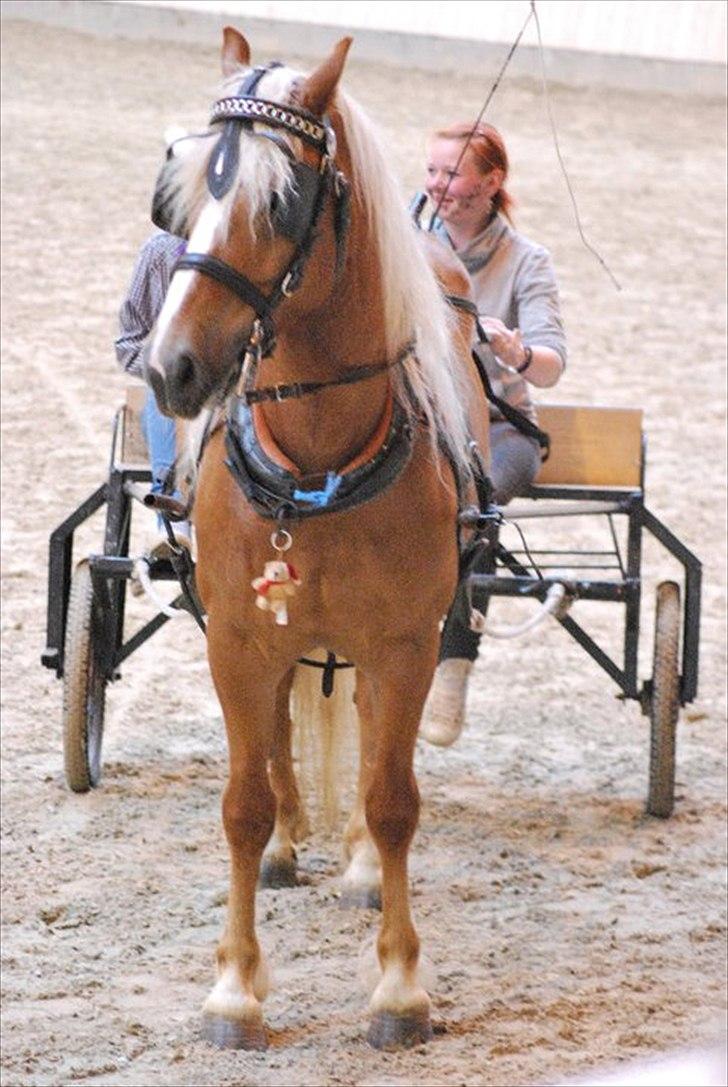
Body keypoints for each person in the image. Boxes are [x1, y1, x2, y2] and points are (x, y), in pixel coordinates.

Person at [419, 121, 567, 747]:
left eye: (451, 174)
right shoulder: (400, 231)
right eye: (432, 171)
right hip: (416, 414)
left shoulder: (526, 261)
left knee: (471, 498)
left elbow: (553, 363)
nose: (436, 186)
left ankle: (453, 664)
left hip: (503, 425)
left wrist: (517, 351)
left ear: (492, 182)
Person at [115, 230, 191, 554]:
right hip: (175, 392)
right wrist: (163, 369)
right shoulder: (160, 253)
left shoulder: (255, 243)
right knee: (166, 395)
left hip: (239, 384)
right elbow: (128, 346)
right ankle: (172, 517)